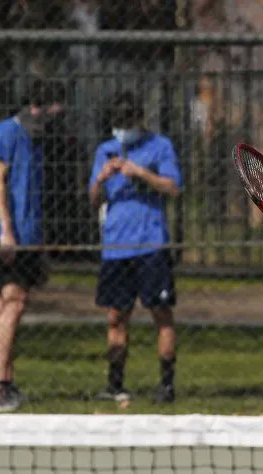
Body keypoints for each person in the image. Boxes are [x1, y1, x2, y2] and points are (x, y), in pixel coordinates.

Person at [89, 92, 182, 404]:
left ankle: (166, 386)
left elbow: (172, 187)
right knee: (116, 316)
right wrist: (101, 180)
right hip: (116, 247)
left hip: (150, 244)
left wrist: (140, 173)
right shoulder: (105, 150)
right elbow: (93, 199)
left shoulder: (160, 146)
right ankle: (115, 385)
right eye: (118, 123)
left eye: (128, 122)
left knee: (161, 313)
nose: (123, 129)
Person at [0, 79, 66, 412]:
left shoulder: (37, 140)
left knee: (12, 305)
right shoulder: (6, 133)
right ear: (36, 108)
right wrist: (6, 231)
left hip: (28, 239)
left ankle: (6, 382)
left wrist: (38, 243)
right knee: (12, 304)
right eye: (52, 111)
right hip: (4, 237)